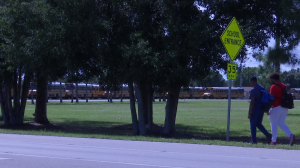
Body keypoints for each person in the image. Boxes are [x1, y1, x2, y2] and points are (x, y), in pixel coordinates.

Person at [268, 73, 295, 146]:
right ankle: (290, 135)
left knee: (273, 123)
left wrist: (268, 108)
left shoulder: (273, 86)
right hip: (284, 107)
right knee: (281, 123)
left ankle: (273, 141)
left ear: (273, 79)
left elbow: (271, 98)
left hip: (276, 107)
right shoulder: (283, 85)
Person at [248, 77, 272, 144]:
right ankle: (268, 135)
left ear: (253, 81)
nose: (250, 84)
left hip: (255, 109)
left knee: (252, 124)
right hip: (262, 108)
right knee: (258, 123)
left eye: (250, 82)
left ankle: (254, 140)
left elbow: (252, 102)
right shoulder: (262, 88)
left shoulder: (254, 90)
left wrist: (250, 112)